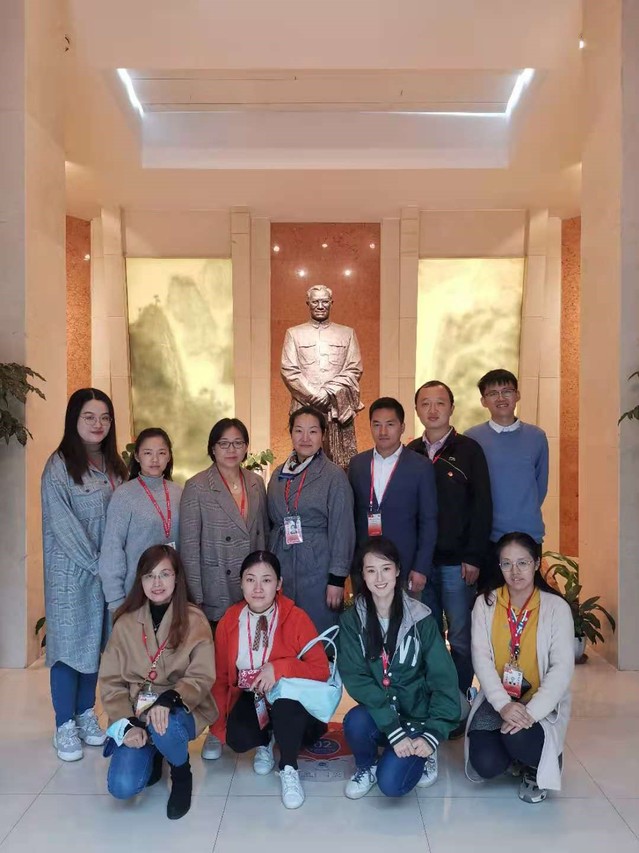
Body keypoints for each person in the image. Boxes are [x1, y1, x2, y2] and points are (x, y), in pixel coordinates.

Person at [99, 545, 217, 820]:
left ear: (177, 578)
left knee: (164, 726)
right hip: (137, 710)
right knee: (122, 786)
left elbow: (202, 675)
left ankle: (181, 773)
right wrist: (128, 724)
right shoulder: (125, 622)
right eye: (149, 576)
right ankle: (155, 751)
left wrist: (170, 699)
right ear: (140, 580)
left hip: (180, 708)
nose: (157, 583)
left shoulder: (194, 620)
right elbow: (111, 682)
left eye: (165, 574)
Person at [41, 388, 127, 762]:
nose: (98, 424)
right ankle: (64, 723)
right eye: (89, 417)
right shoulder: (59, 466)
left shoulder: (115, 466)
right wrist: (99, 566)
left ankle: (85, 713)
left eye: (105, 417)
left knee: (94, 643)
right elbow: (64, 527)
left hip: (106, 574)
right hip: (71, 574)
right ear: (74, 420)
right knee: (68, 647)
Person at [338, 537, 460, 799]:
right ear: (363, 575)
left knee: (391, 785)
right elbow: (356, 677)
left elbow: (443, 679)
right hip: (381, 715)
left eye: (385, 568)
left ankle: (425, 751)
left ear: (397, 570)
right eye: (371, 570)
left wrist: (433, 732)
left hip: (417, 717)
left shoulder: (421, 619)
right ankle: (366, 766)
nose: (379, 578)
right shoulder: (352, 620)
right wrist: (393, 729)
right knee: (355, 721)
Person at [179, 417, 269, 761]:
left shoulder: (256, 483)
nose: (232, 450)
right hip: (215, 587)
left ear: (246, 447)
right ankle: (215, 731)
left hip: (252, 589)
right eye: (224, 443)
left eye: (238, 443)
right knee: (218, 667)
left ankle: (254, 727)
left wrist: (265, 583)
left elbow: (261, 536)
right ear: (212, 448)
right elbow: (189, 547)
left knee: (252, 660)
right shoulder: (197, 486)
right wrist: (196, 598)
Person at [211, 551, 329, 809]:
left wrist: (279, 668)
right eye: (250, 580)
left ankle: (288, 767)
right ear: (241, 583)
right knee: (237, 739)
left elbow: (321, 670)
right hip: (253, 697)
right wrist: (219, 726)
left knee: (286, 706)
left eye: (266, 580)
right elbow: (221, 677)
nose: (257, 588)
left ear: (279, 584)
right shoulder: (230, 620)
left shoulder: (296, 617)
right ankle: (266, 740)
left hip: (291, 702)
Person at [466, 532, 574, 803]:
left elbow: (561, 669)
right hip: (499, 700)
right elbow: (481, 659)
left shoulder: (556, 608)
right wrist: (503, 705)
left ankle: (537, 764)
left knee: (519, 738)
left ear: (536, 563)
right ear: (499, 566)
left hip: (539, 704)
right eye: (507, 564)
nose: (515, 572)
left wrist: (530, 713)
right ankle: (516, 755)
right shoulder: (486, 603)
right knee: (486, 764)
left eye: (523, 563)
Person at [407, 381, 492, 701]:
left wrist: (474, 556)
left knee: (460, 636)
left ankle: (459, 698)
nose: (433, 410)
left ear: (451, 408)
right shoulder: (409, 452)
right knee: (427, 635)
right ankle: (435, 696)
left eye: (440, 403)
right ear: (417, 409)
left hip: (457, 564)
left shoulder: (469, 451)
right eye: (425, 403)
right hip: (420, 564)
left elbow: (482, 507)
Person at [267, 406, 355, 633]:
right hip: (282, 564)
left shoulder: (333, 475)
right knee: (284, 631)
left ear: (323, 435)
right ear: (291, 433)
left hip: (318, 567)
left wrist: (337, 579)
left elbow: (342, 529)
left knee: (318, 630)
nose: (305, 438)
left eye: (313, 431)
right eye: (299, 430)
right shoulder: (278, 474)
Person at [466, 369, 549, 588]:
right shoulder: (472, 438)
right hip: (489, 536)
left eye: (507, 391)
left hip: (528, 534)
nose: (501, 398)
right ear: (483, 401)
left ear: (517, 395)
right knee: (490, 597)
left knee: (527, 598)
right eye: (493, 393)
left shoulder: (537, 437)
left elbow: (540, 485)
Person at [348, 397, 438, 596]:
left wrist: (421, 567)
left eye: (390, 424)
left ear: (402, 427)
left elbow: (429, 520)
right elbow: (350, 517)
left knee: (404, 615)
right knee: (366, 615)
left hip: (405, 566)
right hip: (365, 567)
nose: (383, 431)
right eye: (376, 424)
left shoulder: (421, 466)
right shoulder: (357, 464)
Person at [99, 428, 182, 613]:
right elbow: (112, 549)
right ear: (137, 456)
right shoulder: (124, 495)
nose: (155, 459)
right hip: (135, 593)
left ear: (169, 456)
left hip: (173, 591)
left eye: (161, 453)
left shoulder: (179, 492)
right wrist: (115, 600)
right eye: (147, 453)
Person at [281, 284, 364, 468]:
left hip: (337, 408)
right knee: (305, 462)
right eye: (315, 302)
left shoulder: (347, 333)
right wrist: (314, 396)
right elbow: (289, 370)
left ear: (331, 303)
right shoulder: (294, 334)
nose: (320, 306)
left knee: (341, 465)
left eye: (325, 301)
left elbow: (354, 368)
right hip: (304, 406)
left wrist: (328, 394)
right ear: (308, 303)